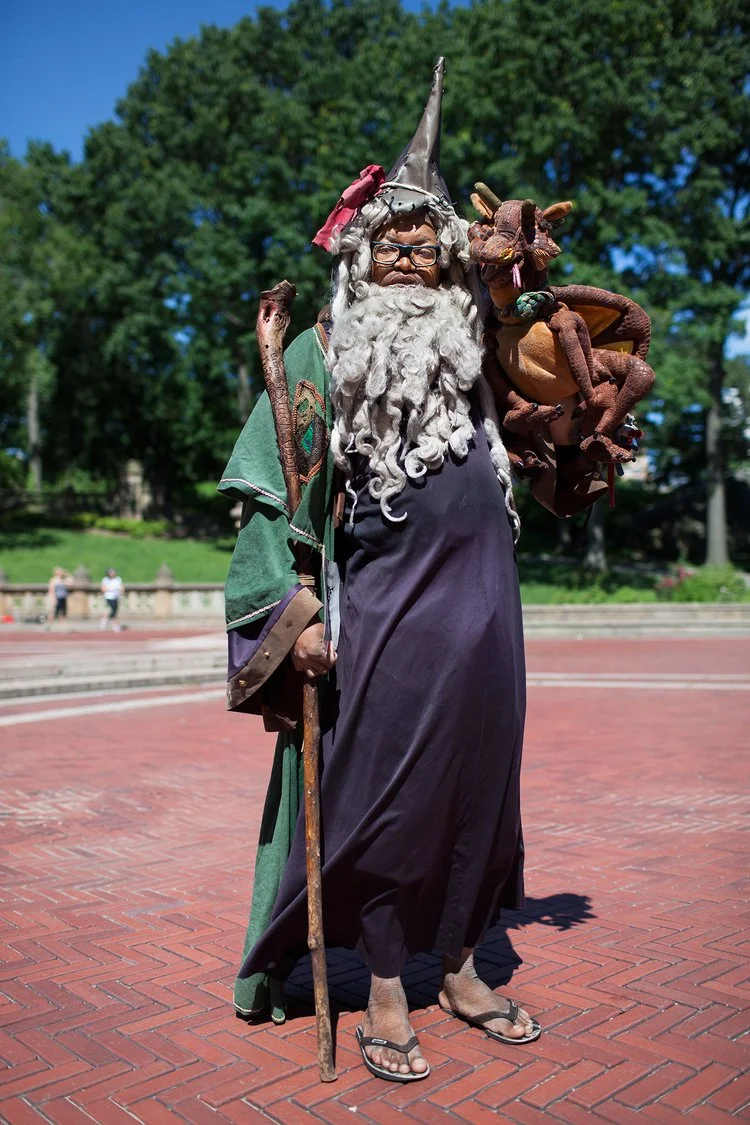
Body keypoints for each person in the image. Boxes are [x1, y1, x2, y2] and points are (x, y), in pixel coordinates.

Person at [219, 59, 539, 1082]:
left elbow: (555, 415)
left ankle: (462, 969)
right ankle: (391, 987)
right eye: (388, 245)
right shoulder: (319, 356)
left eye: (423, 247)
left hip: (489, 610)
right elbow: (266, 497)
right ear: (360, 258)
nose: (406, 261)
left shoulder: (480, 347)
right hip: (386, 613)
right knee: (391, 797)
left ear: (447, 264)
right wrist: (295, 612)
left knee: (481, 788)